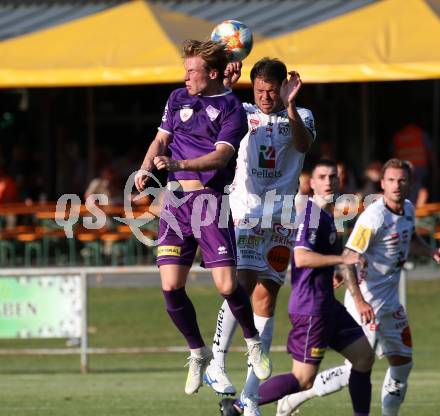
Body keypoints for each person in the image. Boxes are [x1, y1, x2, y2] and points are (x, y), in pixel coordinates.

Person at [134, 40, 271, 396]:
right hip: (176, 202)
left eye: (191, 71)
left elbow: (220, 158)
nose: (185, 77)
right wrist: (146, 166)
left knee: (227, 286)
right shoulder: (177, 98)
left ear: (211, 74)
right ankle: (198, 352)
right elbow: (160, 139)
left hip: (210, 201)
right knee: (170, 287)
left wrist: (178, 164)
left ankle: (253, 342)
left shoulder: (232, 109)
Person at [276, 158, 440, 416]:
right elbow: (349, 257)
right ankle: (295, 397)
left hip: (391, 304)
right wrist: (359, 300)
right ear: (382, 184)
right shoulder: (373, 218)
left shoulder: (408, 209)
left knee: (403, 364)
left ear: (410, 183)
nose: (397, 186)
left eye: (402, 180)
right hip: (367, 303)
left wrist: (431, 251)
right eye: (391, 180)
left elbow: (409, 238)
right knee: (357, 365)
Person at [202, 58, 315, 415]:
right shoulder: (242, 110)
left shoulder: (301, 115)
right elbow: (208, 112)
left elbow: (303, 144)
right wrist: (226, 86)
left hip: (280, 218)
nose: (265, 97)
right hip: (247, 211)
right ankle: (216, 362)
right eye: (259, 90)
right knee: (243, 283)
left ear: (283, 87)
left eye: (271, 91)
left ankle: (250, 397)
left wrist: (291, 104)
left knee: (266, 300)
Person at [220, 159, 375, 416]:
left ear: (340, 181)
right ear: (311, 183)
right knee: (303, 379)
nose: (328, 181)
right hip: (311, 309)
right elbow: (302, 257)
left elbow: (317, 259)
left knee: (364, 357)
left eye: (333, 176)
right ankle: (238, 406)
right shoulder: (311, 214)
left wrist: (333, 272)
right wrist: (341, 259)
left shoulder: (326, 215)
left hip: (328, 305)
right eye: (322, 177)